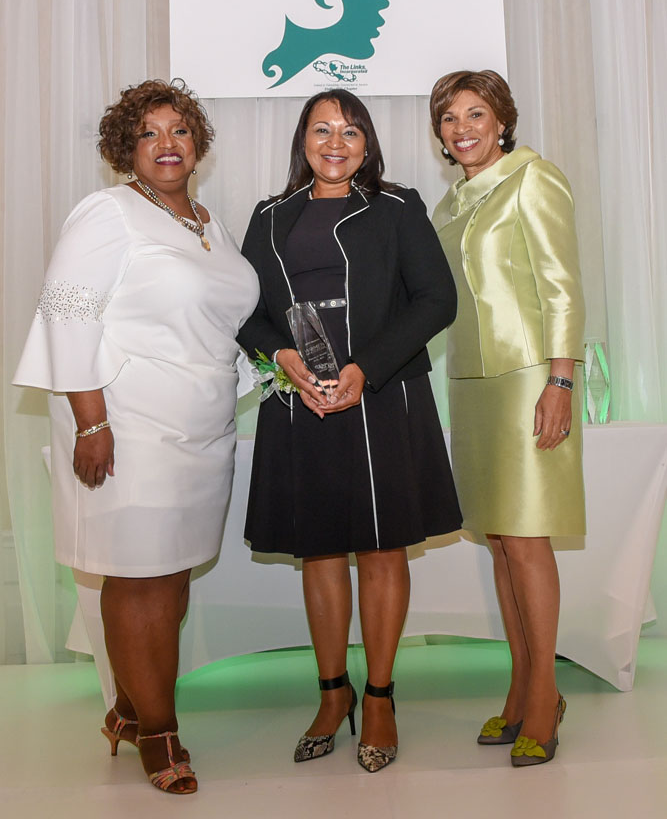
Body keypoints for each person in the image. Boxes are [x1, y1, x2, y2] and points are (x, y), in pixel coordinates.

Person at [14, 79, 259, 794]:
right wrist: (91, 420)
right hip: (127, 424)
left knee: (173, 572)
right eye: (148, 133)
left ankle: (128, 706)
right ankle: (160, 732)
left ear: (198, 144)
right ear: (126, 149)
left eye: (179, 131)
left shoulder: (210, 223)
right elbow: (66, 313)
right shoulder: (108, 213)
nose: (166, 144)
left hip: (202, 427)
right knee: (138, 575)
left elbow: (220, 320)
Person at [237, 88, 461, 773]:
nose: (335, 143)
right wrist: (279, 356)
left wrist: (367, 367)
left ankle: (382, 696)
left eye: (350, 131)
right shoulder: (269, 216)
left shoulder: (396, 208)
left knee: (382, 549)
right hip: (298, 398)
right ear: (302, 139)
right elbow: (246, 312)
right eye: (321, 129)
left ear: (367, 144)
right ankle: (333, 695)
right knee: (321, 551)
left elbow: (436, 300)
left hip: (382, 393)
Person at [430, 70, 586, 767]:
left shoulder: (533, 178)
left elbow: (560, 282)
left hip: (528, 376)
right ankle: (522, 683)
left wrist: (560, 377)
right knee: (497, 539)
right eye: (448, 118)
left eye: (475, 114)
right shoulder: (449, 201)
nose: (461, 128)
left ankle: (545, 692)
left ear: (501, 122)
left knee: (525, 540)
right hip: (469, 382)